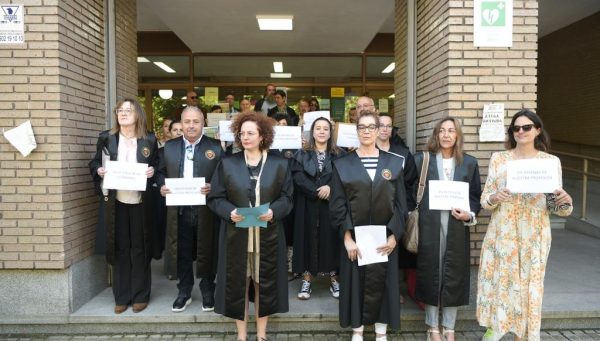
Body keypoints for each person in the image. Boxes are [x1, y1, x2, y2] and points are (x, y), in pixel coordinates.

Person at [477, 109, 573, 341]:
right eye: (516, 128)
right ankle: (497, 329)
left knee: (529, 288)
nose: (521, 131)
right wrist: (495, 198)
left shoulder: (550, 162)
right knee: (501, 283)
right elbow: (485, 199)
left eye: (526, 127)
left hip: (535, 233)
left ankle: (522, 336)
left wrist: (565, 201)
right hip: (503, 233)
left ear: (537, 130)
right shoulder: (499, 159)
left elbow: (556, 204)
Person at [208, 111, 293, 341]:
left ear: (262, 136)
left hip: (269, 235)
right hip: (236, 235)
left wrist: (275, 211)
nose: (245, 137)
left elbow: (287, 198)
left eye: (250, 133)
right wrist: (230, 212)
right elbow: (216, 198)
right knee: (239, 284)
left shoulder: (280, 164)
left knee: (262, 283)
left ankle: (262, 335)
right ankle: (242, 336)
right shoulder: (227, 164)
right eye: (242, 133)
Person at [330, 111, 407, 341]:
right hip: (356, 239)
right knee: (356, 283)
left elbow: (401, 204)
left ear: (378, 130)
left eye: (370, 127)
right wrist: (347, 238)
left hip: (385, 239)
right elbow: (337, 204)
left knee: (384, 283)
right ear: (356, 131)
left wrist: (394, 235)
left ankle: (381, 332)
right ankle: (358, 330)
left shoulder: (394, 163)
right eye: (361, 127)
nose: (366, 131)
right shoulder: (342, 164)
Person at [413, 117, 482, 341]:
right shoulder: (422, 161)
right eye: (441, 130)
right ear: (436, 135)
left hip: (456, 226)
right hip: (429, 225)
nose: (446, 135)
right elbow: (410, 191)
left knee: (453, 275)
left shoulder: (469, 163)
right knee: (432, 272)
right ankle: (432, 326)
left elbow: (475, 196)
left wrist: (469, 214)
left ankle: (449, 327)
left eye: (451, 131)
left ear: (458, 136)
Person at [88, 98, 158, 314]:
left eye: (128, 110)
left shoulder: (149, 140)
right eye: (120, 110)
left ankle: (140, 295)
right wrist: (99, 170)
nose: (123, 113)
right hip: (115, 203)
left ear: (138, 114)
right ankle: (121, 296)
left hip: (140, 202)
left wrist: (153, 172)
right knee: (119, 248)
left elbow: (158, 165)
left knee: (139, 247)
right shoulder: (107, 138)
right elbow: (95, 162)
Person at [157, 106, 223, 313]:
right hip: (179, 208)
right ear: (181, 123)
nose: (191, 125)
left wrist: (214, 187)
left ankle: (207, 288)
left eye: (196, 121)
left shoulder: (216, 147)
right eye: (187, 122)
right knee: (182, 250)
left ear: (203, 122)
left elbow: (225, 175)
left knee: (207, 248)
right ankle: (184, 290)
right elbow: (159, 172)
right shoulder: (170, 147)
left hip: (206, 208)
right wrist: (161, 185)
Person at [291, 117, 345, 300]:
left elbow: (344, 176)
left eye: (326, 129)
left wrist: (331, 188)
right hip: (307, 203)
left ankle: (333, 278)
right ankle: (306, 280)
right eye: (318, 128)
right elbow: (297, 177)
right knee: (307, 239)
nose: (322, 132)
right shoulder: (301, 154)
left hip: (331, 204)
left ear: (331, 133)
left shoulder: (340, 155)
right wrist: (315, 191)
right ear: (312, 132)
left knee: (331, 239)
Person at [375, 113, 418, 305]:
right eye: (381, 125)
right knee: (376, 251)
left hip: (397, 210)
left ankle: (395, 291)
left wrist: (407, 208)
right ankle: (376, 289)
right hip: (374, 210)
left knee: (395, 253)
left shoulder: (402, 153)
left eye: (388, 126)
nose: (385, 129)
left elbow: (411, 183)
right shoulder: (367, 151)